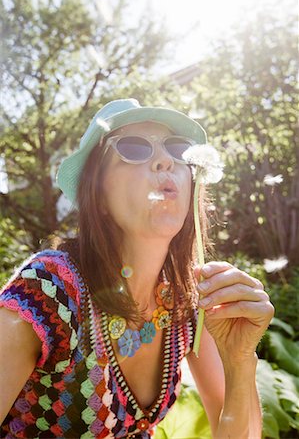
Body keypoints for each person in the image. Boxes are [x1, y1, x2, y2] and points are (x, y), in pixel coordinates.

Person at [0, 98, 274, 438]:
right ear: (97, 194)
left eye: (179, 149)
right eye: (133, 148)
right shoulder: (48, 292)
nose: (164, 160)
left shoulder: (191, 300)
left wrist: (241, 361)